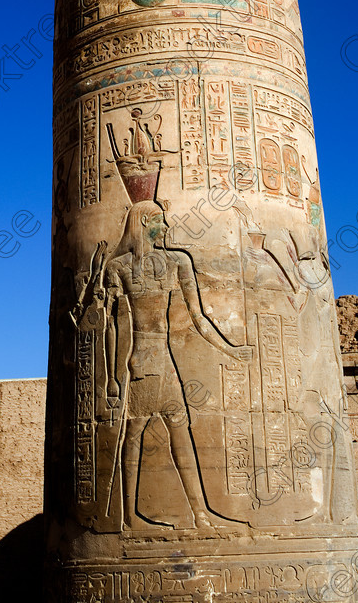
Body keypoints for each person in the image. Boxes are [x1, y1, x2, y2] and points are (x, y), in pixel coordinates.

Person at [104, 199, 251, 530]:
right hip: (143, 362)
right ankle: (130, 519)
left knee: (175, 431)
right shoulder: (121, 268)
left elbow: (199, 317)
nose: (166, 227)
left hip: (160, 359)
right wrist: (113, 377)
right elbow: (113, 325)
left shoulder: (176, 261)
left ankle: (200, 515)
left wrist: (230, 349)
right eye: (159, 220)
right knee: (136, 433)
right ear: (143, 224)